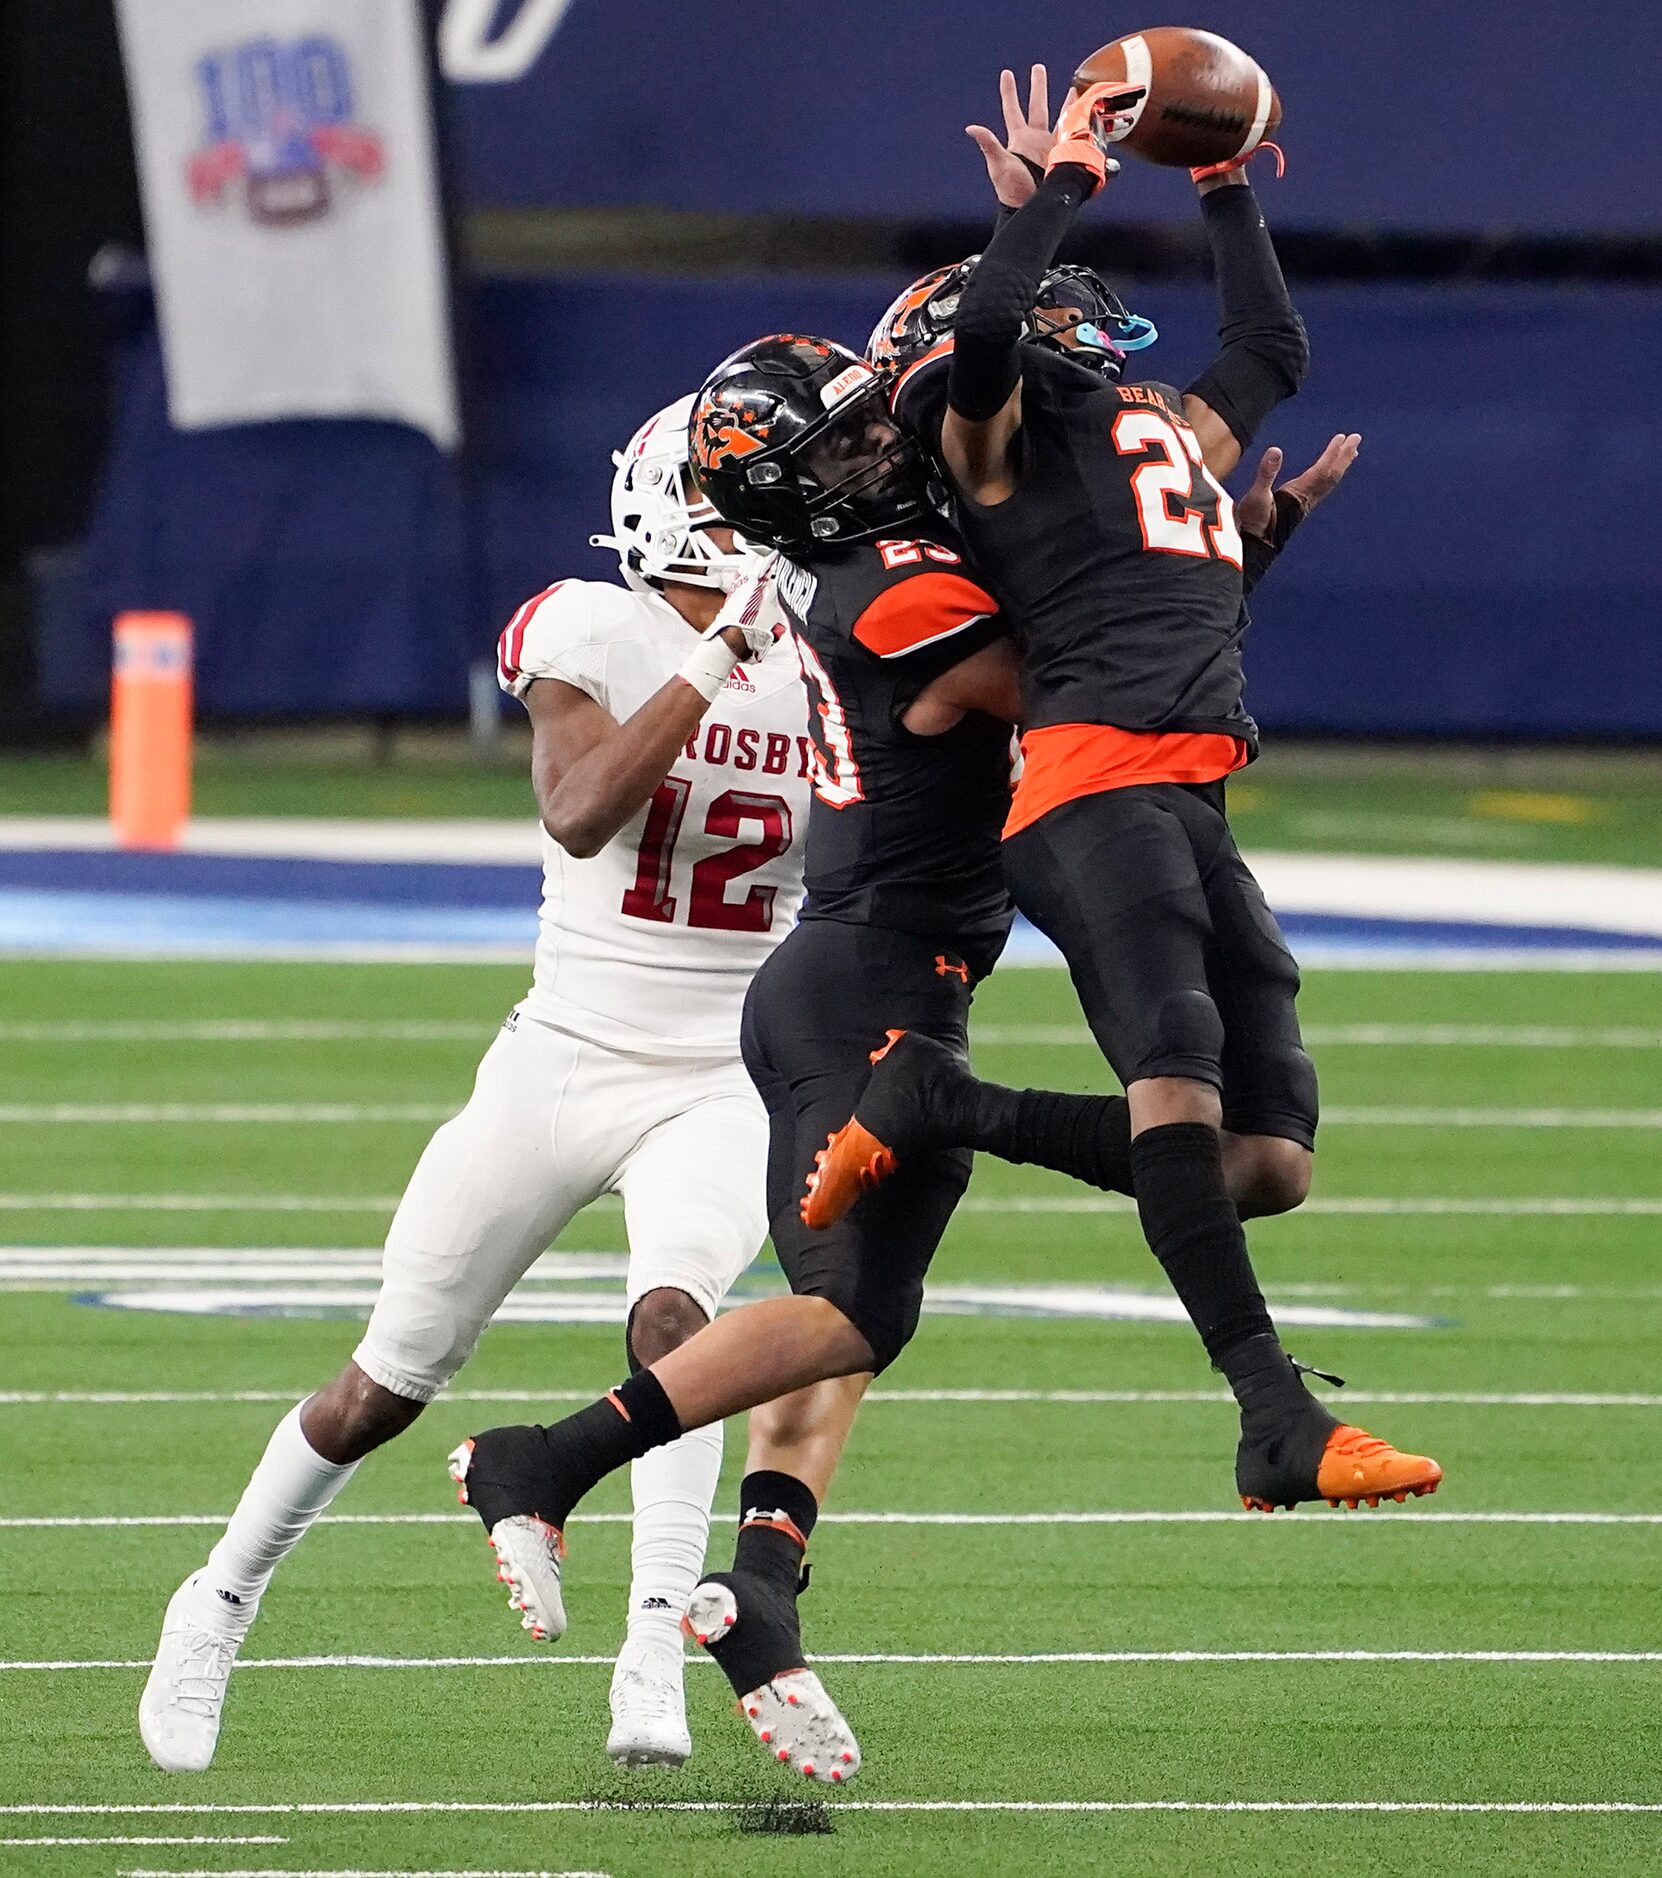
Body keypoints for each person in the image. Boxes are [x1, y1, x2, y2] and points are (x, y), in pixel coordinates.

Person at [448, 330, 1347, 1780]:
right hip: (854, 978)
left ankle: (753, 1593)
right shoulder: (898, 588)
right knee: (847, 1315)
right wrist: (1203, 547)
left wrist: (1222, 531)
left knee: (858, 1314)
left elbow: (1111, 627)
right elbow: (1095, 676)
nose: (882, 445)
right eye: (851, 441)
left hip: (897, 971)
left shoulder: (908, 554)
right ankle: (548, 1463)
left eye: (878, 426)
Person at [139, 396, 812, 1776]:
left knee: (683, 1328)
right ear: (684, 503)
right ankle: (217, 1596)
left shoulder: (831, 656)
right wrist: (713, 654)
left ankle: (651, 1648)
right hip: (564, 1053)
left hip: (724, 1071)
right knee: (387, 1379)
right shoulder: (591, 626)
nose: (795, 515)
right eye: (764, 488)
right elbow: (577, 809)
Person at [811, 69, 1441, 1515]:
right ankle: (1272, 1412)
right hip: (1091, 794)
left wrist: (1223, 184)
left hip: (1189, 790)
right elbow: (982, 331)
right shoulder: (991, 438)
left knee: (1265, 1161)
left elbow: (1268, 342)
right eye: (1060, 312)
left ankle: (937, 1098)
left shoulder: (1140, 432)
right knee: (1172, 1084)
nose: (1091, 331)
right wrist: (1059, 187)